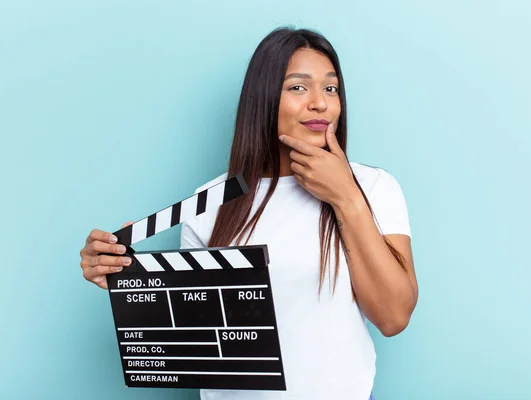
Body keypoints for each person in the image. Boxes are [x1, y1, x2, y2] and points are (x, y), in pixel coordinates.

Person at [79, 26, 418, 400]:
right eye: (298, 87)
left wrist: (346, 198)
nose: (319, 103)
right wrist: (132, 280)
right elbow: (203, 332)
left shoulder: (374, 187)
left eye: (331, 88)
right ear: (264, 99)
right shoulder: (209, 202)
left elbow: (393, 317)